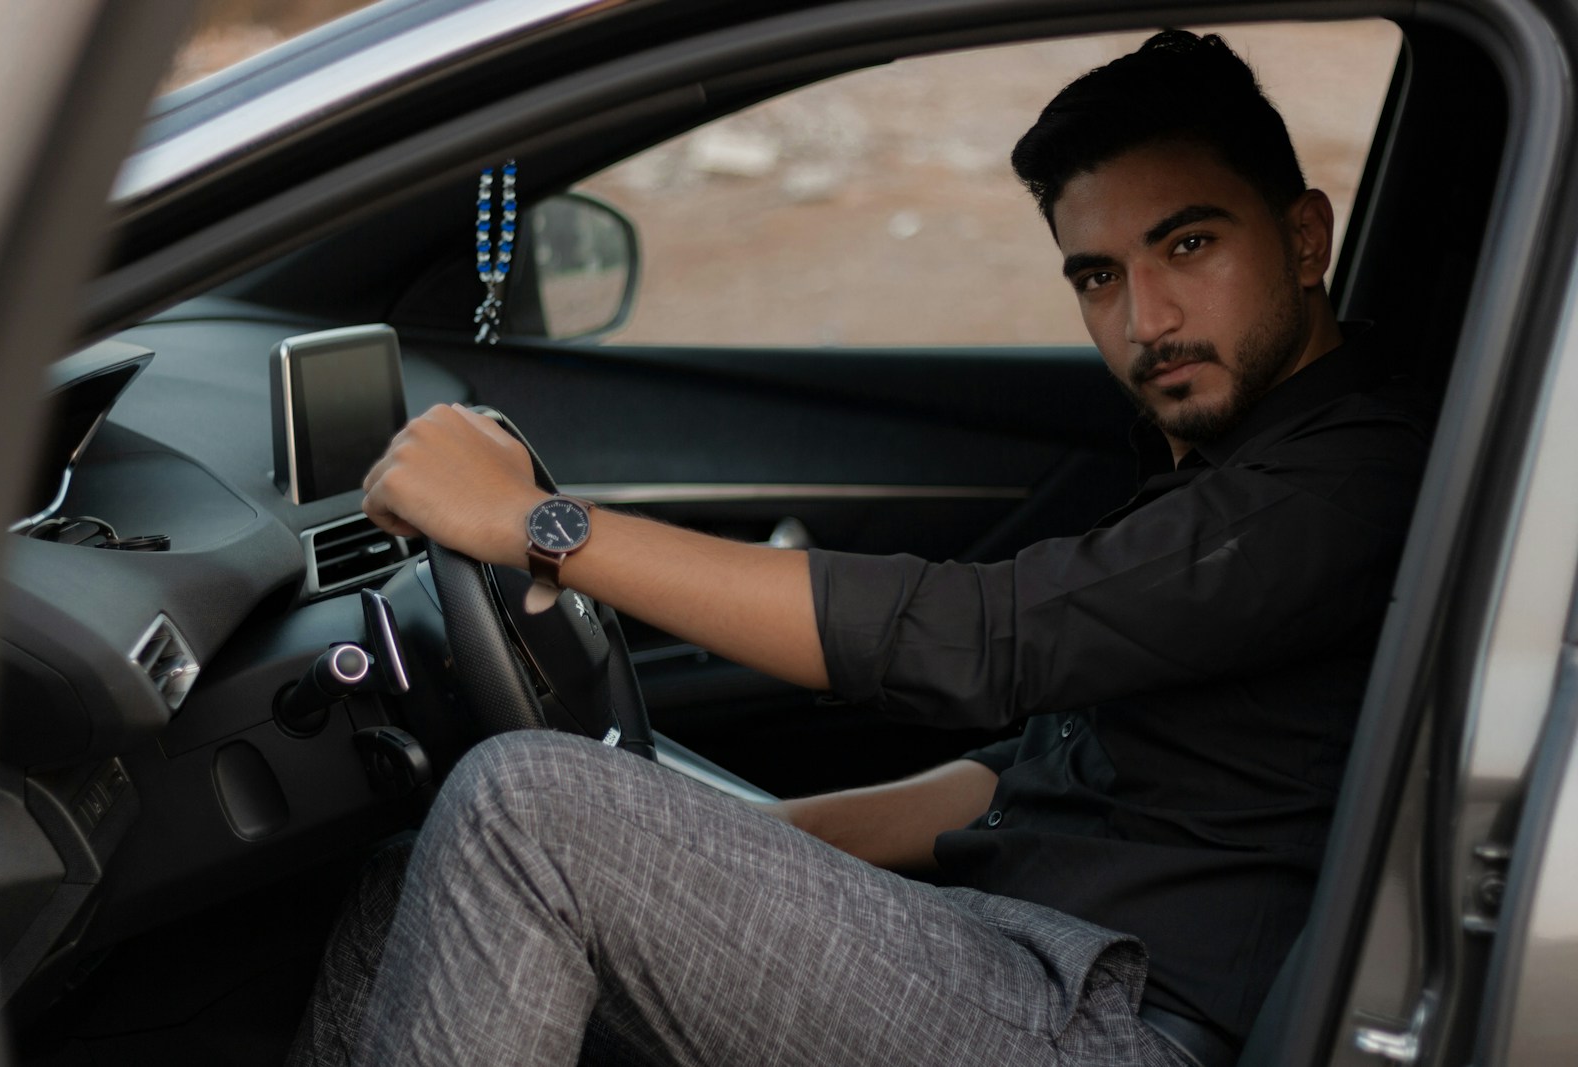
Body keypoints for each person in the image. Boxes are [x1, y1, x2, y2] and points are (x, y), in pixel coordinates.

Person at [302, 29, 1433, 1067]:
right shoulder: (1233, 459)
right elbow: (1031, 774)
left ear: (1305, 238)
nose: (1146, 320)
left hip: (1121, 1021)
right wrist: (737, 841)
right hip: (1015, 946)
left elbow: (985, 639)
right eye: (1098, 276)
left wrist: (541, 527)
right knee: (419, 868)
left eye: (1188, 243)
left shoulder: (1348, 479)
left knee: (522, 809)